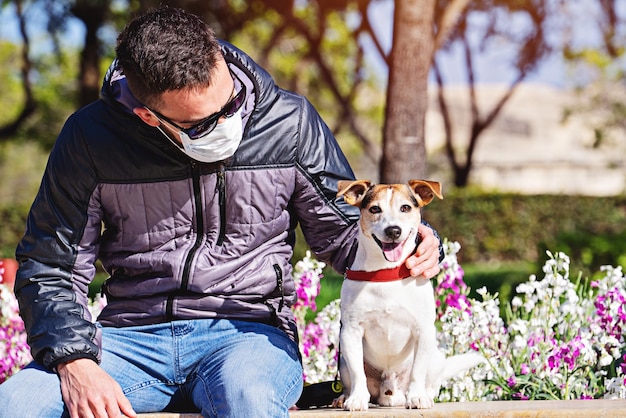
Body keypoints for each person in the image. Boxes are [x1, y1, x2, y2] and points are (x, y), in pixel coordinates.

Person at [0, 6, 442, 418]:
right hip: (128, 340)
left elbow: (346, 236)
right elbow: (50, 264)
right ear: (148, 115)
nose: (230, 120)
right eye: (204, 123)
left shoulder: (290, 122)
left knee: (248, 398)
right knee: (16, 403)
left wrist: (407, 240)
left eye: (229, 102)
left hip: (248, 336)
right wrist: (74, 361)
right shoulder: (89, 137)